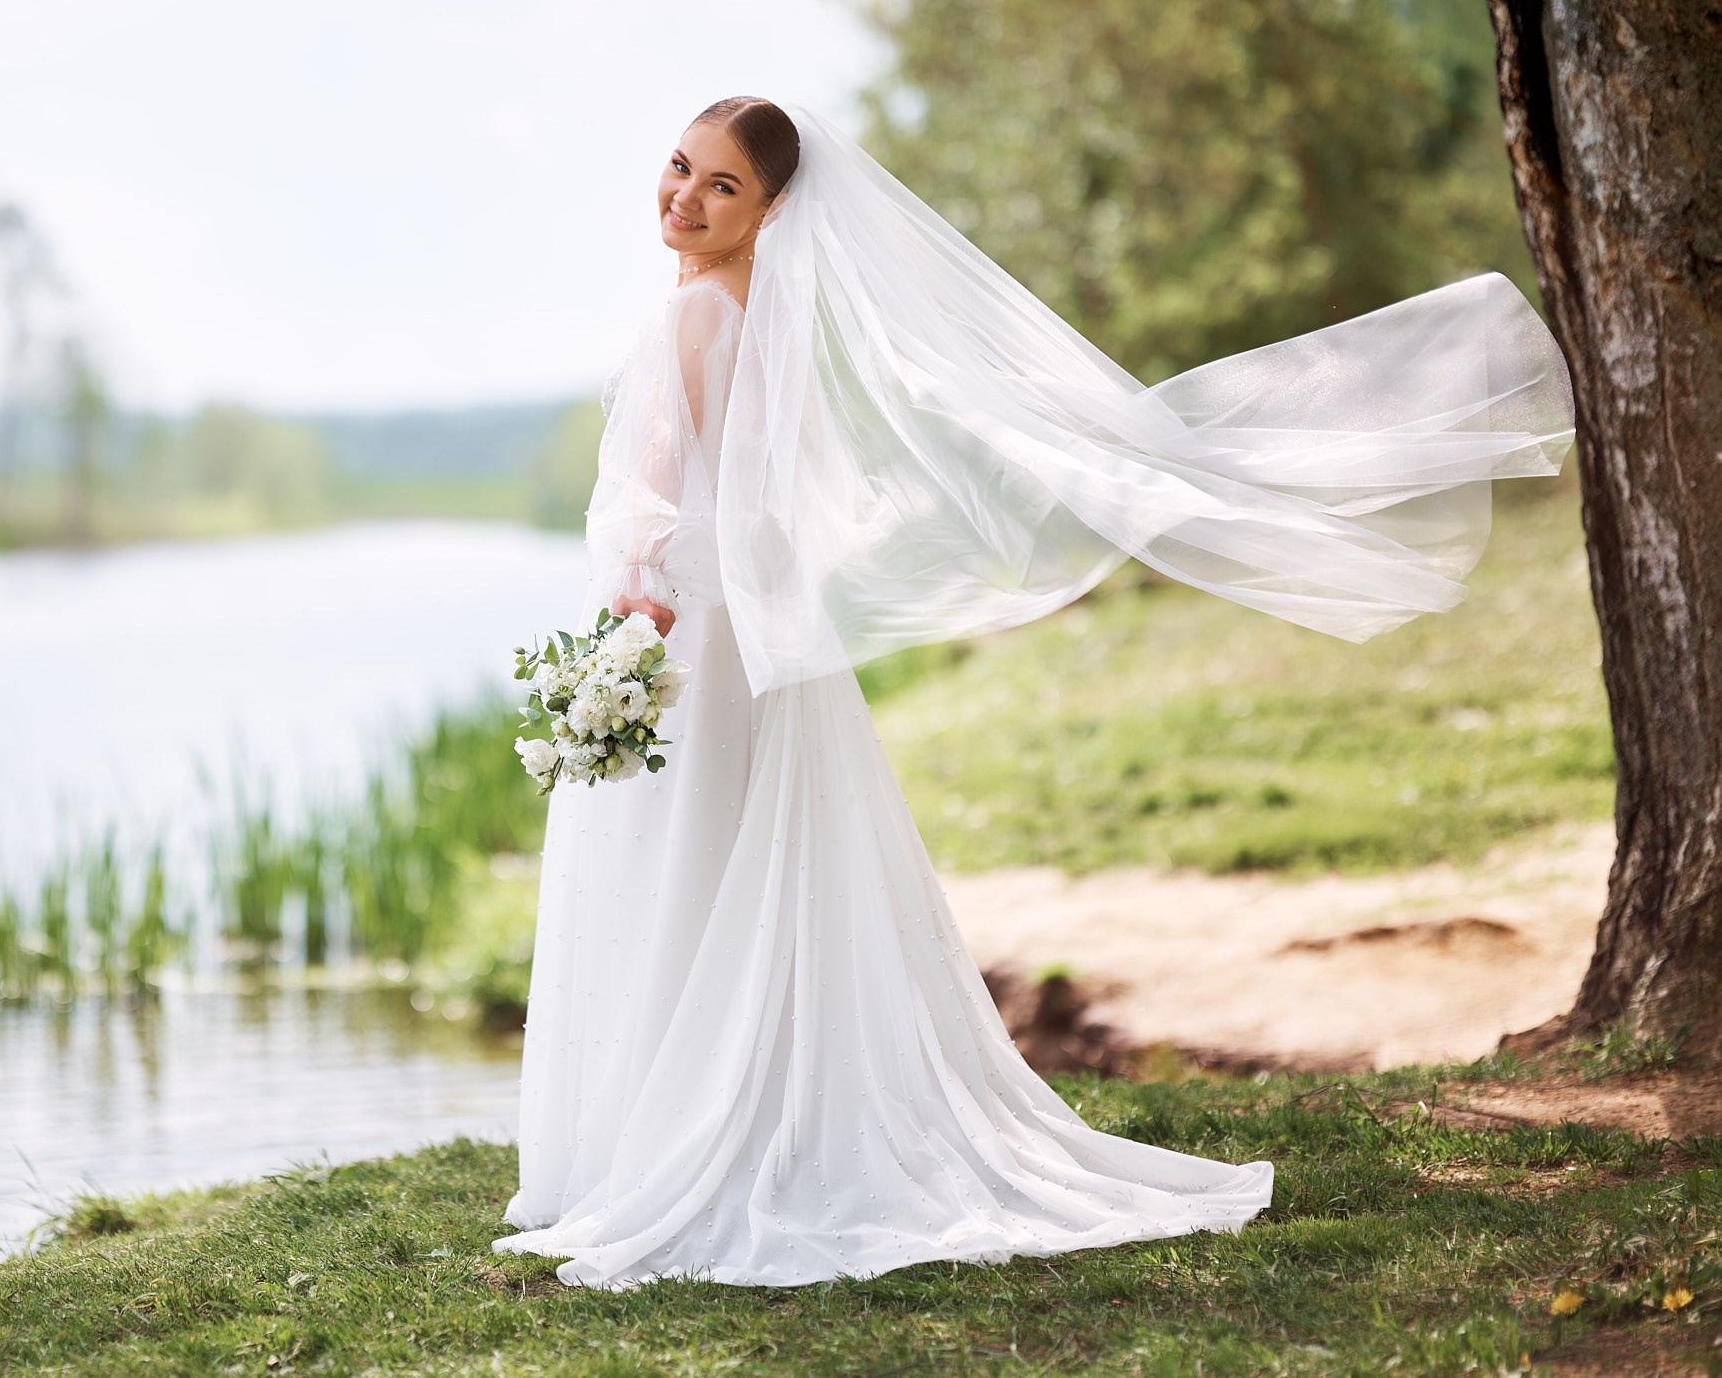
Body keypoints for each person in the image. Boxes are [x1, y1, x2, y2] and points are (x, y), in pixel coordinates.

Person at [494, 97, 1574, 1289]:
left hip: (686, 635)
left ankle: (659, 1142)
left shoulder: (693, 313)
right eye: (680, 167)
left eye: (720, 188)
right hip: (753, 642)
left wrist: (632, 621)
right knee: (740, 873)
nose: (684, 198)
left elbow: (652, 492)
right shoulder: (765, 317)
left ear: (773, 210)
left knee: (677, 872)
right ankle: (732, 1124)